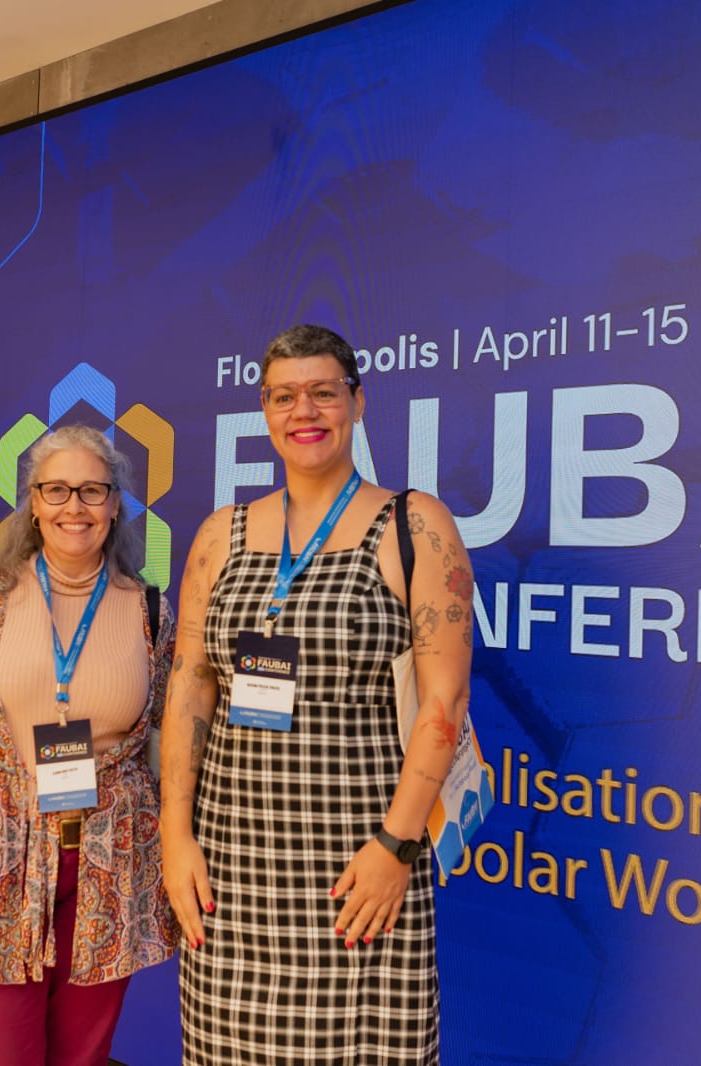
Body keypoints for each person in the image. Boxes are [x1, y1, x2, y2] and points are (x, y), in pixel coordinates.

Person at [161, 323, 475, 1063]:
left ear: (358, 403)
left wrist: (395, 846)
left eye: (323, 393)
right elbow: (189, 687)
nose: (303, 411)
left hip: (360, 869)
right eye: (284, 396)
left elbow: (445, 702)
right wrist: (175, 835)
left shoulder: (414, 525)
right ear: (264, 412)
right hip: (230, 872)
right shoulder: (220, 535)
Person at [0, 424, 177, 1066]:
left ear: (116, 504)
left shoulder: (150, 611)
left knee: (82, 1057)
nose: (75, 506)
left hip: (109, 868)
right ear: (34, 504)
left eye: (93, 490)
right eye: (57, 490)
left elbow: (167, 738)